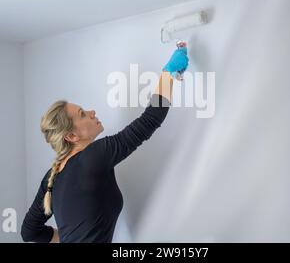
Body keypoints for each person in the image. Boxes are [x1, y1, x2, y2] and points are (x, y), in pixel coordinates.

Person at [20, 46, 189, 243]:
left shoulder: (53, 176)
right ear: (72, 136)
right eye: (82, 114)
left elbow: (29, 232)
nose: (91, 112)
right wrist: (168, 72)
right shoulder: (92, 157)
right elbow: (151, 119)